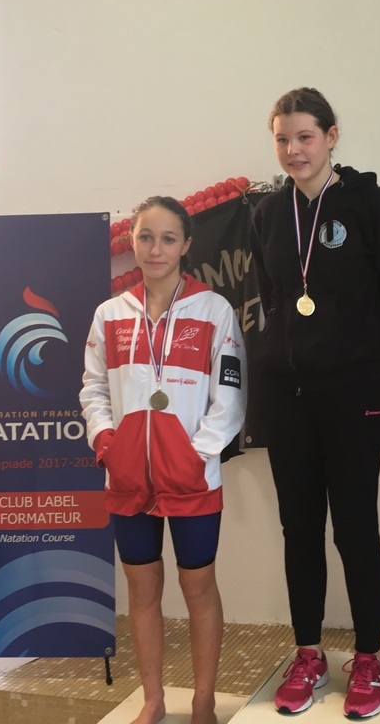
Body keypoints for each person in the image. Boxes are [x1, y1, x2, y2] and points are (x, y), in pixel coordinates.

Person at [250, 87, 380, 719]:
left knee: (354, 526)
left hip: (352, 391)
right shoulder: (269, 214)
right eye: (283, 139)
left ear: (331, 136)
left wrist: (364, 362)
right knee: (298, 528)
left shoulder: (367, 204)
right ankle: (308, 653)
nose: (294, 150)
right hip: (286, 394)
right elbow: (272, 297)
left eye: (305, 137)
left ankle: (369, 658)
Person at [80, 196, 246, 724]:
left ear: (186, 245)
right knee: (142, 589)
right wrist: (108, 443)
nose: (156, 249)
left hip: (192, 479)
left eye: (168, 239)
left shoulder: (214, 310)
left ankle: (203, 700)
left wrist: (196, 455)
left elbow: (230, 394)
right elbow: (92, 389)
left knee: (199, 589)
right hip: (128, 479)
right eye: (146, 237)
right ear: (132, 241)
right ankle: (152, 699)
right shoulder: (110, 314)